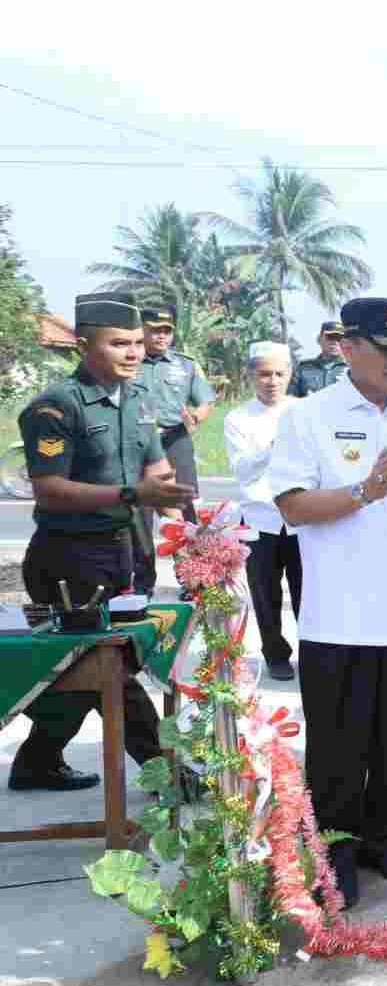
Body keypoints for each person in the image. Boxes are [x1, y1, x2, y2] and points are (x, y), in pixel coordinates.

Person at [270, 297, 387, 908]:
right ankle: (335, 856)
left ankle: (386, 840)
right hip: (340, 615)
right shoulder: (310, 415)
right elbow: (292, 505)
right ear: (347, 347)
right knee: (336, 748)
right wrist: (363, 491)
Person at [9, 294, 195, 793]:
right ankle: (167, 774)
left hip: (122, 549)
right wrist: (133, 492)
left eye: (137, 343)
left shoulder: (138, 401)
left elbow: (158, 472)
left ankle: (36, 761)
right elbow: (49, 487)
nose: (133, 353)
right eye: (119, 343)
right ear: (83, 343)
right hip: (67, 555)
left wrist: (191, 530)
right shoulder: (54, 407)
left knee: (89, 665)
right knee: (111, 666)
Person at [223, 341, 302, 681]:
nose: (272, 381)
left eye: (279, 374)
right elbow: (243, 471)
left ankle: (314, 653)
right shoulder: (237, 418)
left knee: (308, 593)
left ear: (290, 375)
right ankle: (276, 655)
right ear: (251, 376)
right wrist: (274, 446)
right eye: (264, 374)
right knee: (265, 596)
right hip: (260, 519)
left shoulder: (305, 410)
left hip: (302, 517)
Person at [133, 302, 213, 594]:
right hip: (138, 444)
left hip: (175, 440)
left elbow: (205, 401)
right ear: (142, 329)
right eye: (155, 331)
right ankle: (141, 584)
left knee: (182, 510)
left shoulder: (186, 364)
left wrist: (197, 417)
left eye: (167, 331)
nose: (161, 337)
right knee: (139, 513)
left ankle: (191, 579)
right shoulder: (129, 360)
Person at [286, 321, 349, 397]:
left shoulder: (351, 369)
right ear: (319, 339)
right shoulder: (303, 369)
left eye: (339, 339)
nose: (335, 342)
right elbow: (290, 399)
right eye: (331, 337)